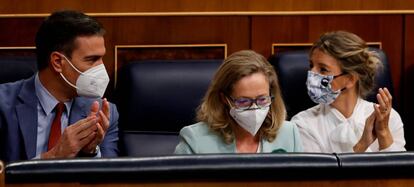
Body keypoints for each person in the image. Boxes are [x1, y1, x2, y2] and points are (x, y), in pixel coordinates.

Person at [0, 10, 119, 163]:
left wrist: (91, 152)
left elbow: (110, 180)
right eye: (92, 60)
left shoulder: (104, 114)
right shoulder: (3, 106)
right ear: (57, 62)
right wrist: (54, 156)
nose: (101, 68)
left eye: (101, 58)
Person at [291, 31, 405, 153]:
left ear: (350, 79)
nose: (312, 74)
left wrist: (383, 133)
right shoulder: (302, 124)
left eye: (323, 69)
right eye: (311, 66)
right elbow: (316, 172)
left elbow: (398, 171)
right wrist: (362, 144)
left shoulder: (388, 118)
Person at [174, 50, 302, 154]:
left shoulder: (289, 134)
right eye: (243, 101)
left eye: (262, 99)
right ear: (224, 99)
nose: (255, 109)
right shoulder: (195, 141)